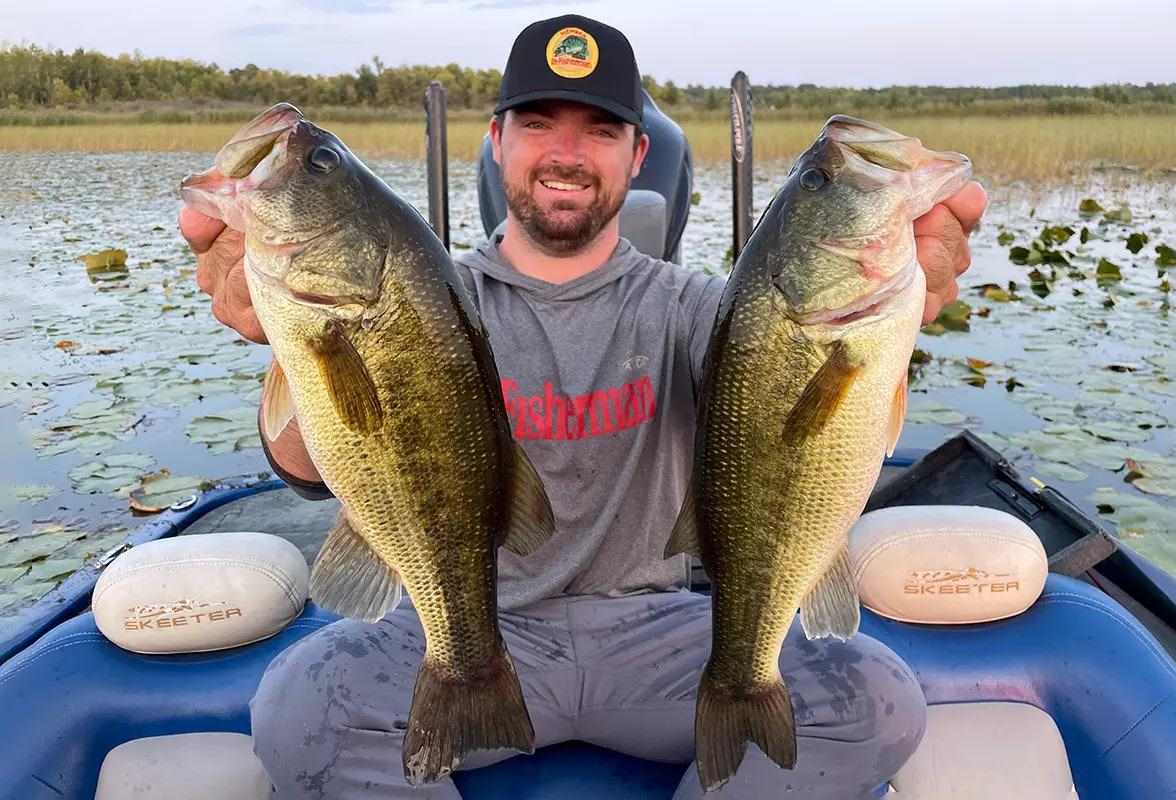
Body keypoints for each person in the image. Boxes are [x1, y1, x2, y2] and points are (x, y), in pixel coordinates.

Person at [180, 14, 987, 799]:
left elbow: (799, 416)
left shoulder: (701, 309)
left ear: (639, 154)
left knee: (879, 702)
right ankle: (468, 689)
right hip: (473, 621)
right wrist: (288, 342)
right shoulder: (422, 300)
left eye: (599, 130)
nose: (566, 153)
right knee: (296, 713)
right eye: (537, 122)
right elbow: (306, 468)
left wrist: (894, 302)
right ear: (497, 144)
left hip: (664, 636)